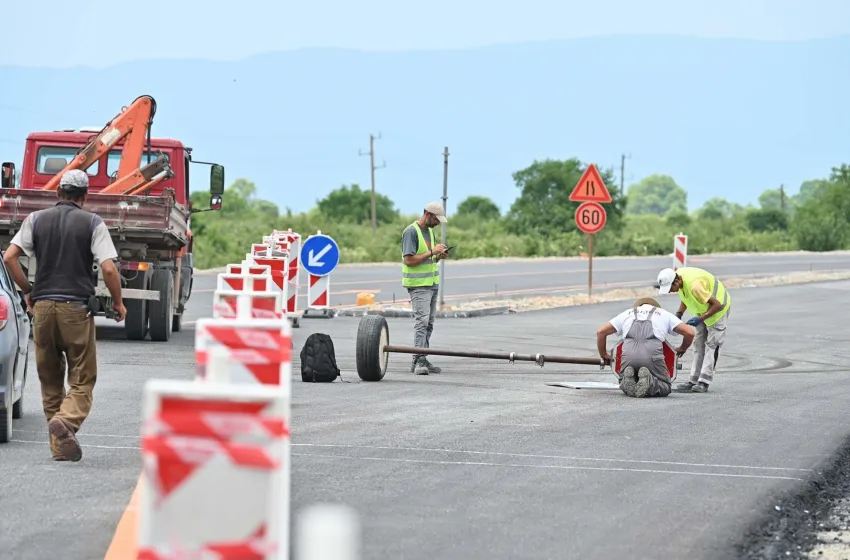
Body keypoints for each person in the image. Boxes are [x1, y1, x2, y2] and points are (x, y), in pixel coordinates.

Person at [2, 169, 126, 462]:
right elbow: (108, 269)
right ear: (85, 196)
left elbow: (9, 257)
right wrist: (119, 303)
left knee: (50, 379)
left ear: (58, 192)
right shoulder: (93, 222)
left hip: (42, 308)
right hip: (75, 310)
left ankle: (59, 448)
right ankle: (67, 422)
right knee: (82, 379)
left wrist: (27, 289)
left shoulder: (35, 220)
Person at [597, 297, 695, 398]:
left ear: (638, 306)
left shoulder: (628, 313)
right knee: (665, 386)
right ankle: (650, 381)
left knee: (622, 381)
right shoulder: (663, 313)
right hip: (652, 355)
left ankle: (627, 380)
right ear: (655, 306)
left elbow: (601, 332)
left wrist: (604, 355)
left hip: (628, 355)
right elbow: (690, 333)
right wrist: (682, 348)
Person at [656, 266, 731, 394]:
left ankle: (704, 382)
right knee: (698, 344)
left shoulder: (695, 286)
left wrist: (701, 319)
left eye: (670, 289)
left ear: (676, 282)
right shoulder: (678, 276)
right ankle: (694, 380)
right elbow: (686, 297)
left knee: (712, 345)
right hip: (702, 309)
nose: (670, 292)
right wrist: (679, 313)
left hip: (718, 310)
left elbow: (717, 304)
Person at [401, 201, 448, 375]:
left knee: (429, 324)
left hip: (431, 284)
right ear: (427, 214)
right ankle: (418, 360)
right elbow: (409, 260)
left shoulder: (429, 232)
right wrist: (432, 252)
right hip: (419, 286)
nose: (438, 223)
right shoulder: (411, 232)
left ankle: (422, 357)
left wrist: (439, 257)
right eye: (436, 219)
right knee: (421, 323)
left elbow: (427, 260)